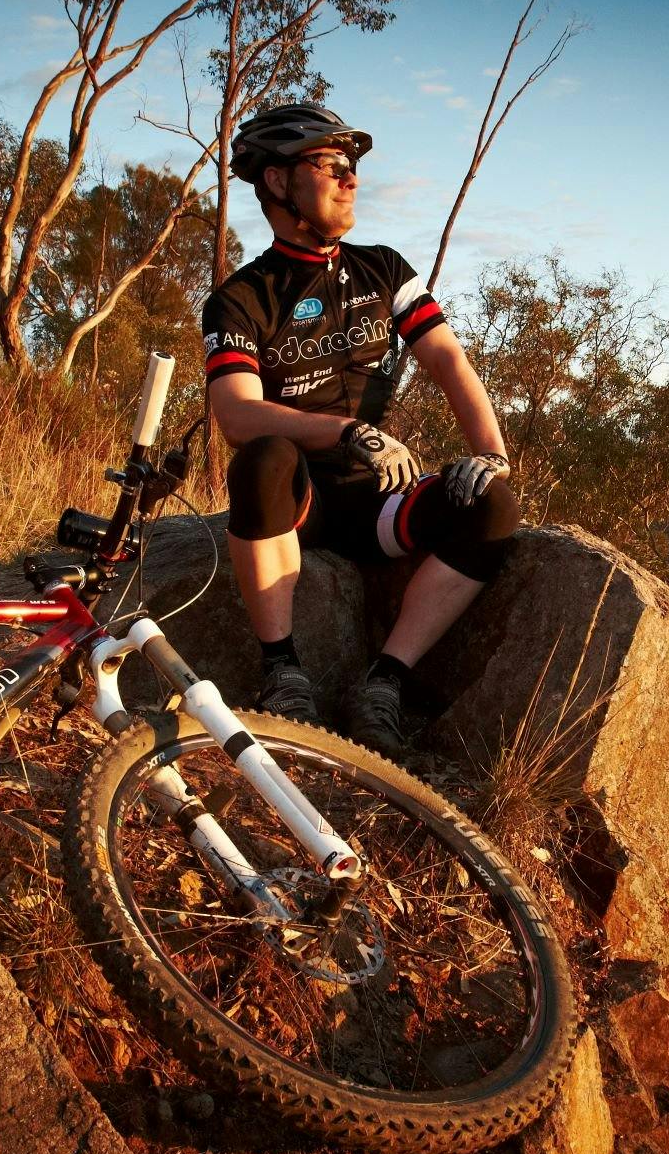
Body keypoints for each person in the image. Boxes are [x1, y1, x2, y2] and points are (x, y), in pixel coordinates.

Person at [200, 103, 517, 757]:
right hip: (296, 502)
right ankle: (282, 674)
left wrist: (491, 453)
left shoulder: (383, 270)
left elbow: (446, 358)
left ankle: (384, 684)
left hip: (379, 503)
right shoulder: (241, 297)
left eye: (355, 168)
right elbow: (235, 412)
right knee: (263, 459)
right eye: (333, 165)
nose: (351, 179)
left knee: (492, 505)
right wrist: (346, 430)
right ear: (280, 182)